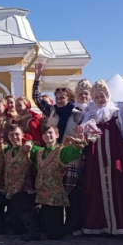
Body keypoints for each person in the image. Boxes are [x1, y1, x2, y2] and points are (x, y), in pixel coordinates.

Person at [80, 80, 123, 236]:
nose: (100, 99)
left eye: (102, 96)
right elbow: (83, 136)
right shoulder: (89, 115)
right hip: (95, 158)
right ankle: (100, 225)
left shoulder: (117, 113)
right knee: (96, 186)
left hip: (115, 156)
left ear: (107, 96)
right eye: (96, 97)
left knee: (121, 184)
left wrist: (121, 149)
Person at [32, 63, 84, 234]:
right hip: (53, 156)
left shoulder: (78, 113)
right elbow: (37, 98)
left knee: (70, 192)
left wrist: (77, 141)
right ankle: (56, 224)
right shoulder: (52, 111)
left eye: (63, 97)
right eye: (57, 97)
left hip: (71, 157)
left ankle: (72, 225)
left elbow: (83, 133)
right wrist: (37, 78)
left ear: (69, 98)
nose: (60, 100)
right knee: (56, 189)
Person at [29, 124, 87, 240]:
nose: (47, 135)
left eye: (50, 133)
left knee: (53, 235)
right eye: (45, 133)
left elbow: (73, 152)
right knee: (44, 230)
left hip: (54, 197)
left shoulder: (61, 151)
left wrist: (79, 142)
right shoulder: (40, 153)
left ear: (57, 135)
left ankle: (72, 226)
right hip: (41, 197)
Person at [1, 125, 40, 241]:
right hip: (9, 192)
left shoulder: (28, 148)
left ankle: (33, 230)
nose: (14, 137)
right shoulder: (7, 151)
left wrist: (30, 143)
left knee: (18, 200)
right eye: (11, 135)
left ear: (22, 134)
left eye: (17, 134)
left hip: (25, 192)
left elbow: (43, 150)